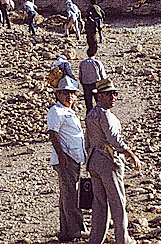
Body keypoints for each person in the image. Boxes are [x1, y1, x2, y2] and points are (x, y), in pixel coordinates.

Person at [85, 78, 141, 244]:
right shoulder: (105, 115)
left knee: (100, 204)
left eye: (115, 94)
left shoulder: (91, 114)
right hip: (108, 161)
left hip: (93, 160)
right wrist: (131, 154)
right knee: (117, 203)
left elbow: (87, 141)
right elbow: (114, 139)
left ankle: (95, 240)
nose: (113, 97)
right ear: (100, 96)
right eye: (109, 94)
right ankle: (122, 240)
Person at [47, 75, 86, 242]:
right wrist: (61, 155)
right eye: (65, 92)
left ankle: (66, 231)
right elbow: (53, 133)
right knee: (71, 195)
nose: (69, 95)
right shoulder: (55, 111)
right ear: (58, 94)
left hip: (73, 157)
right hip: (67, 157)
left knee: (66, 194)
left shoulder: (69, 112)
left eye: (72, 93)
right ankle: (76, 229)